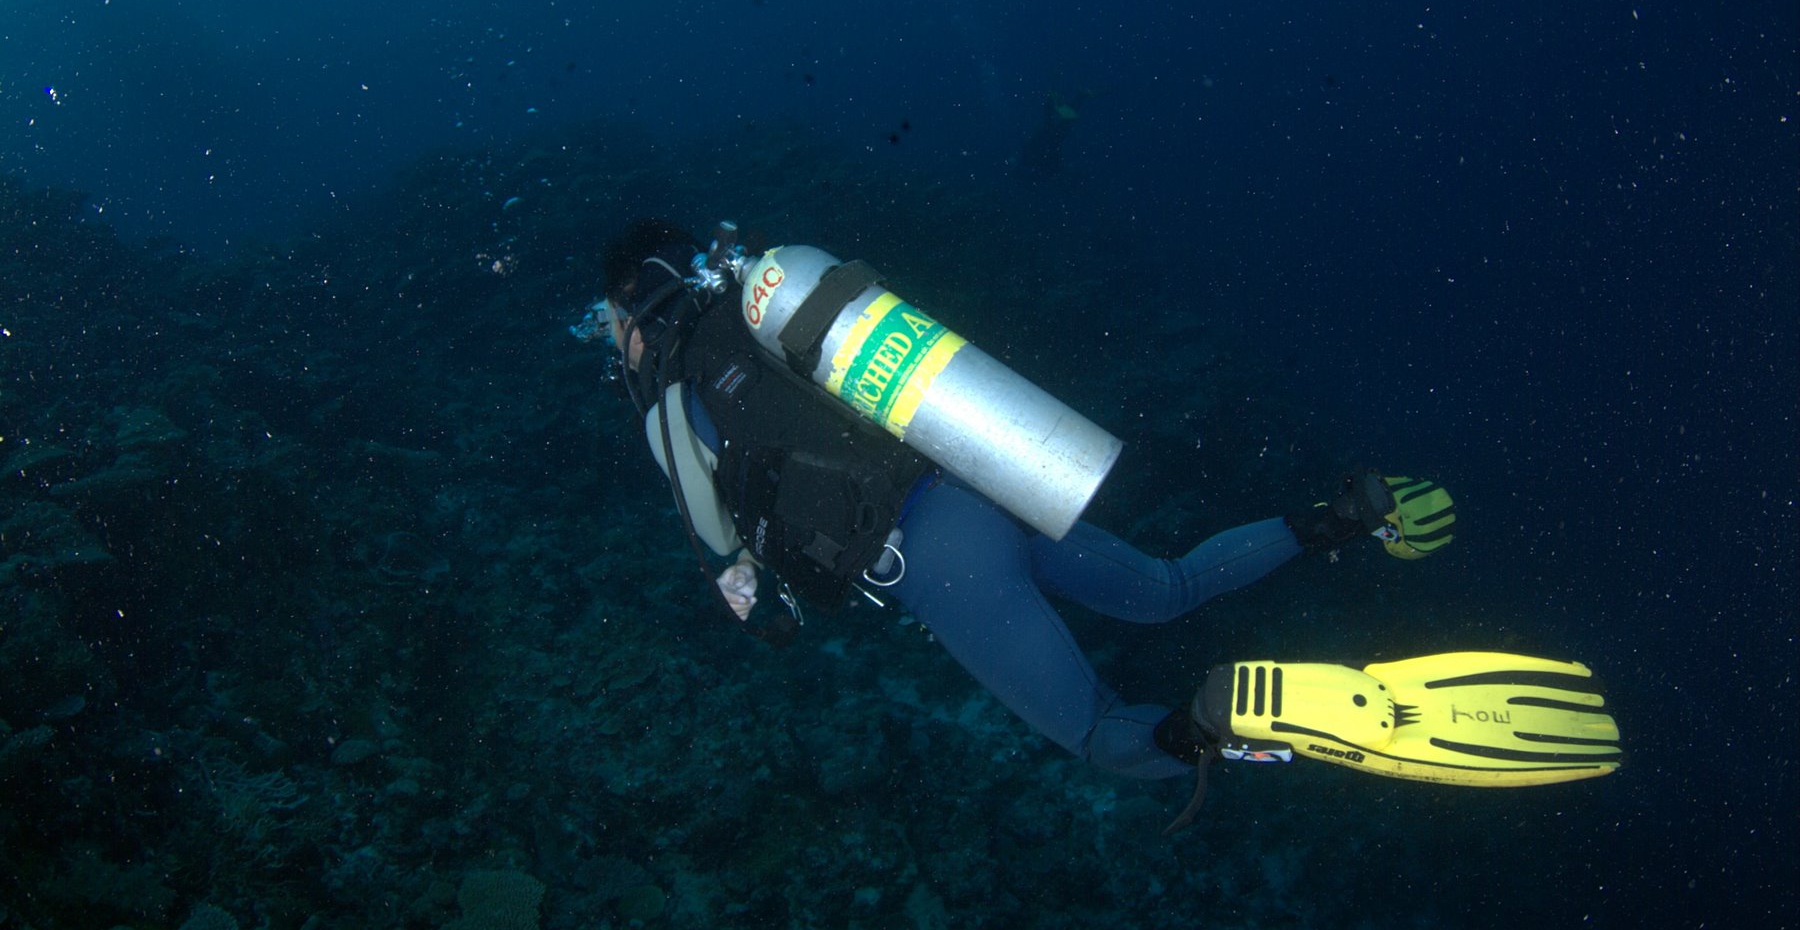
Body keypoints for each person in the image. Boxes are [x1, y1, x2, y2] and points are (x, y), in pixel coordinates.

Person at [579, 219, 1622, 827]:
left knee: (1098, 735)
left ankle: (1224, 723)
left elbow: (724, 547)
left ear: (634, 314)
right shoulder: (767, 308)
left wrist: (748, 588)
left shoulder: (671, 399)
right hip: (983, 487)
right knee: (1166, 587)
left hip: (933, 564)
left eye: (612, 325)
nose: (614, 342)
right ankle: (1340, 519)